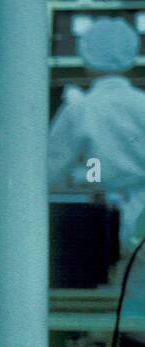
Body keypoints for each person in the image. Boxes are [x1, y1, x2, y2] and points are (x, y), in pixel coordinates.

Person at [49, 18, 145, 249]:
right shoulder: (142, 104)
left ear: (86, 57)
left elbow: (51, 174)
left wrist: (80, 177)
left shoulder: (79, 109)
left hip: (94, 222)